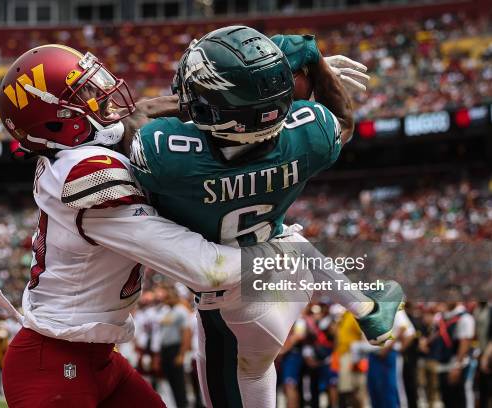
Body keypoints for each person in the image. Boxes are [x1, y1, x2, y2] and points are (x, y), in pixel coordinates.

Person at [0, 44, 300, 408]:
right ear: (55, 122)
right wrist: (278, 256)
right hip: (53, 366)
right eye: (86, 96)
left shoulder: (75, 160)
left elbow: (145, 124)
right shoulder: (86, 175)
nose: (103, 99)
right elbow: (205, 267)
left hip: (95, 359)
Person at [127, 26, 404, 407]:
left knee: (238, 379)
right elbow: (342, 120)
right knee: (287, 242)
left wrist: (203, 100)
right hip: (281, 281)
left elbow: (139, 114)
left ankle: (365, 306)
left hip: (227, 304)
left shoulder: (171, 156)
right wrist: (311, 64)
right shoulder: (310, 135)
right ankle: (366, 307)